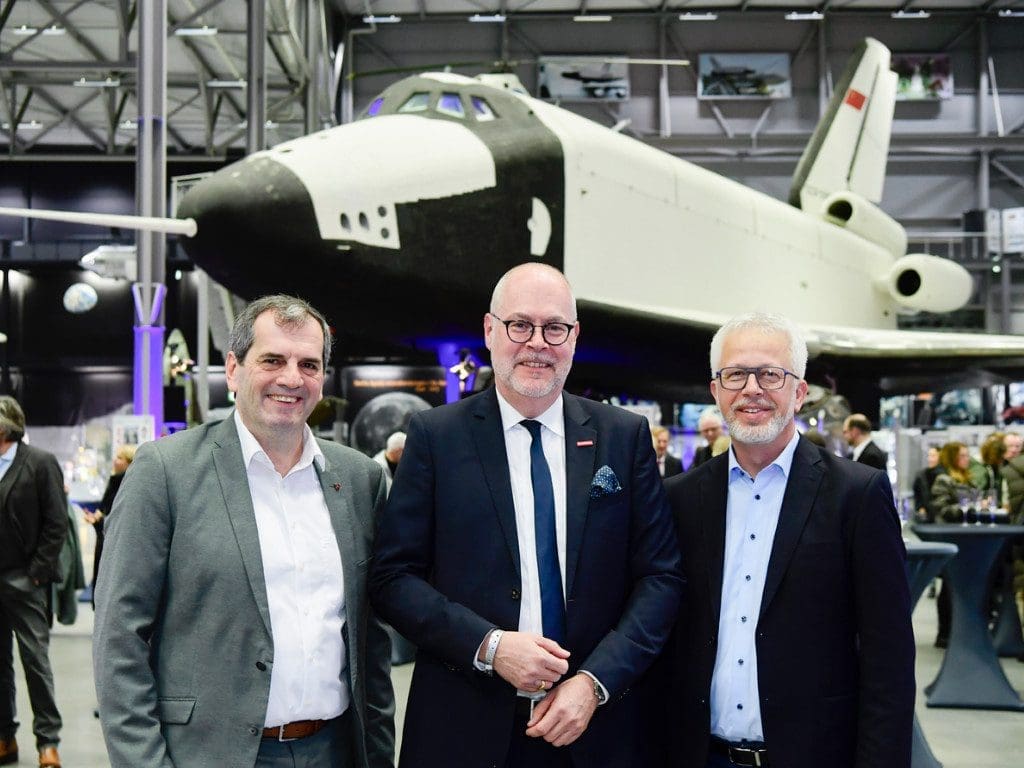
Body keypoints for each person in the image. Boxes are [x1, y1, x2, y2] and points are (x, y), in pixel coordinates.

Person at [370, 263, 683, 768]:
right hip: (465, 727)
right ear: (490, 330)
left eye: (554, 327)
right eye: (520, 325)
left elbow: (661, 577)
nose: (537, 343)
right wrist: (489, 646)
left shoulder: (622, 437)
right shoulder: (435, 437)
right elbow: (393, 578)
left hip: (595, 726)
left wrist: (595, 681)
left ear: (575, 337)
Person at [93, 295, 395, 768]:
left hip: (335, 749)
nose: (291, 378)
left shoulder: (359, 480)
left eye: (308, 364)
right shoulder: (166, 472)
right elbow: (119, 636)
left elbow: (369, 640)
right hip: (210, 754)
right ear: (233, 369)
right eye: (272, 359)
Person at [662, 312, 915, 768]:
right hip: (699, 755)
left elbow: (888, 658)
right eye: (735, 374)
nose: (752, 389)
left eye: (770, 374)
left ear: (799, 392)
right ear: (716, 391)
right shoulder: (680, 498)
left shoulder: (857, 496)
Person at [0, 396, 67, 768]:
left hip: (26, 582)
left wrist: (36, 574)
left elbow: (56, 523)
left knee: (35, 663)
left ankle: (47, 742)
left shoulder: (39, 463)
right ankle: (5, 738)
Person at [929, 441, 976, 649]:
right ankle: (944, 633)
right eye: (963, 455)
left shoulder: (968, 479)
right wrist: (968, 507)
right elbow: (942, 509)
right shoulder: (943, 480)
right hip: (951, 537)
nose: (967, 459)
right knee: (948, 587)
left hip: (967, 538)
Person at [82, 445, 136, 605]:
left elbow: (115, 511)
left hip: (115, 540)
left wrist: (99, 519)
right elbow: (105, 507)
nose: (115, 461)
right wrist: (96, 518)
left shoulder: (125, 482)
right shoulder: (115, 480)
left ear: (129, 462)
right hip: (107, 536)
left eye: (120, 458)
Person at [912, 446, 944, 521]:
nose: (930, 459)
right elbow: (918, 495)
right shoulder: (921, 475)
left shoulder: (945, 474)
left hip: (941, 515)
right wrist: (920, 508)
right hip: (926, 516)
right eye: (929, 456)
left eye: (933, 456)